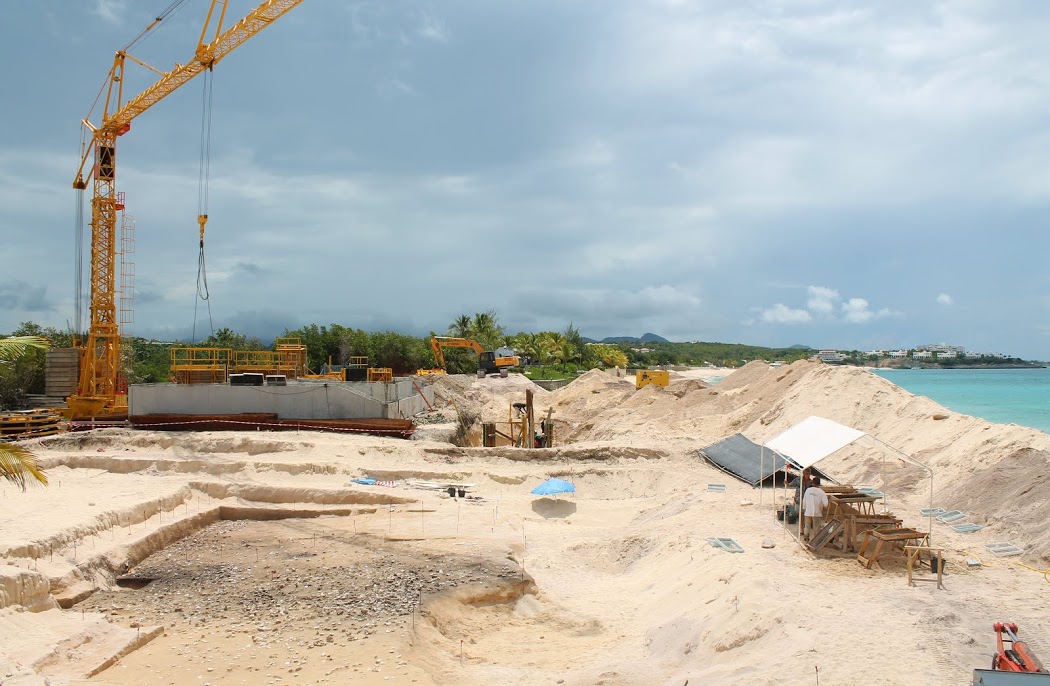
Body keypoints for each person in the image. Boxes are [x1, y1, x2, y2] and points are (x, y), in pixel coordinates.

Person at [801, 476, 829, 543]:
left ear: (812, 483)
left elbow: (804, 501)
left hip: (808, 511)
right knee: (816, 527)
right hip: (817, 512)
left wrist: (804, 508)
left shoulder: (808, 490)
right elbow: (826, 504)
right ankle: (816, 541)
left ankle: (806, 538)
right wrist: (822, 507)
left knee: (807, 526)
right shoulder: (822, 492)